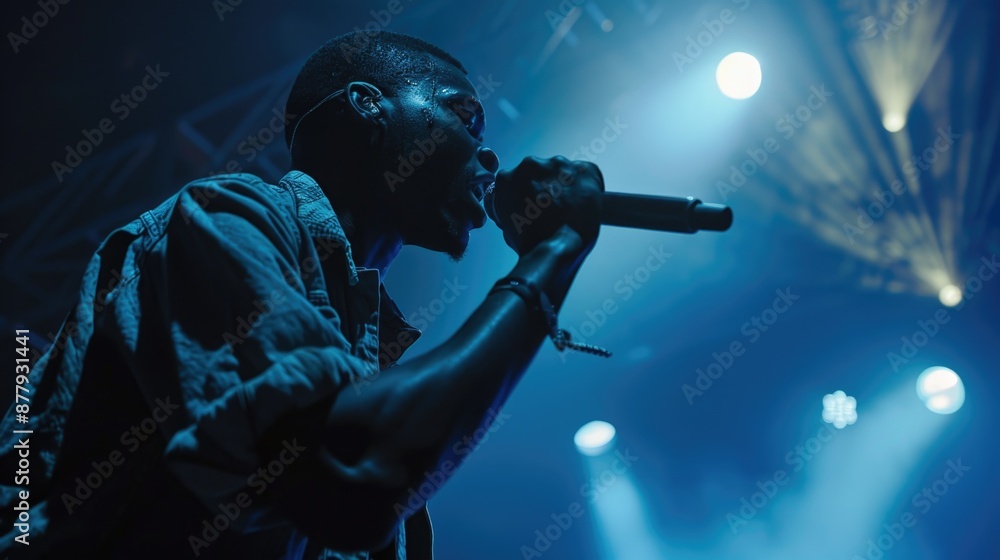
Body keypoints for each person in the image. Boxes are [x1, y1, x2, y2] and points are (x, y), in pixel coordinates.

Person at [0, 31, 604, 559]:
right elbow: (349, 478)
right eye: (465, 116)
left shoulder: (369, 348)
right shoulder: (226, 216)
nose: (488, 152)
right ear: (368, 105)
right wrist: (553, 251)